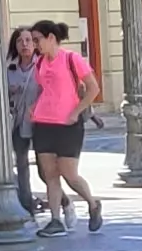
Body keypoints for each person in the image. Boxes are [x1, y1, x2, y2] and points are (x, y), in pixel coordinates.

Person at [25, 19, 104, 236]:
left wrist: (77, 111)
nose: (34, 45)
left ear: (51, 38)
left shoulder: (71, 59)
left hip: (68, 124)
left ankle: (92, 203)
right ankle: (55, 220)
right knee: (50, 174)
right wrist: (35, 106)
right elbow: (45, 89)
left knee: (69, 173)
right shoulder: (39, 63)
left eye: (37, 39)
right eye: (32, 40)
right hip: (43, 122)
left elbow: (93, 88)